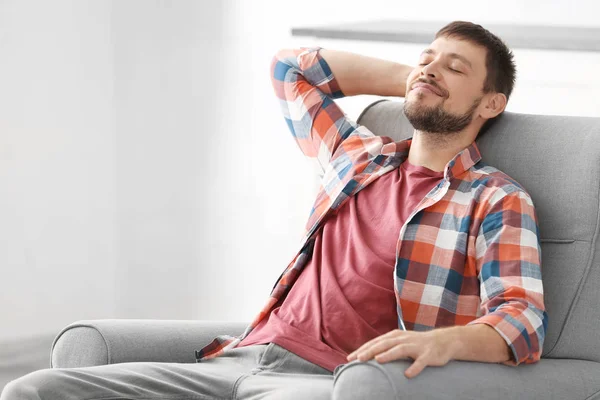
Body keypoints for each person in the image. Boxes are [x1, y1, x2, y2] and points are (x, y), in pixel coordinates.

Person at [1, 20, 547, 400]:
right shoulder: (355, 156)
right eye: (427, 58)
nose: (430, 69)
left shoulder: (496, 199)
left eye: (454, 68)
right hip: (237, 358)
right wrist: (418, 79)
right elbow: (291, 69)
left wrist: (439, 343)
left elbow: (522, 322)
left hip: (330, 381)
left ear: (490, 104)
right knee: (32, 390)